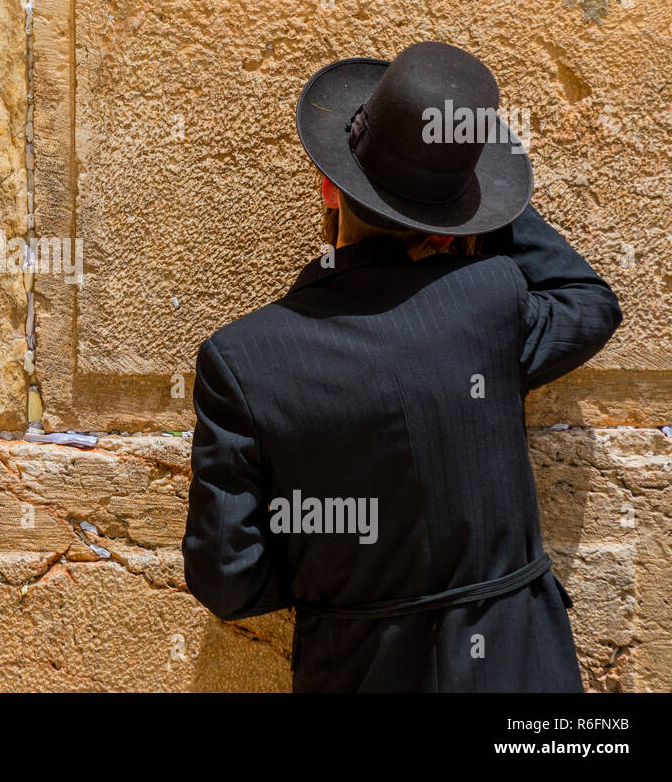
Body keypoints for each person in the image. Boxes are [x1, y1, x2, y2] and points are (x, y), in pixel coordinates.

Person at [182, 42, 622, 691]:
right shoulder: (493, 305)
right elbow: (590, 303)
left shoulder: (243, 360)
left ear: (328, 186)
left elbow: (227, 577)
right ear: (450, 230)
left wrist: (339, 583)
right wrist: (481, 199)